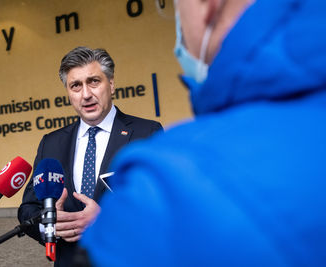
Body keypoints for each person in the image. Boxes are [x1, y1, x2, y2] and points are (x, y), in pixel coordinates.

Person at [80, 0, 326, 266]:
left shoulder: (165, 184)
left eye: (173, 9)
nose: (85, 94)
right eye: (75, 85)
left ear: (206, 5)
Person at [18, 46, 163, 266]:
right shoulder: (51, 142)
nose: (86, 94)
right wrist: (50, 225)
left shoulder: (147, 133)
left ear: (111, 84)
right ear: (68, 93)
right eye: (75, 86)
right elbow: (29, 208)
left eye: (94, 81)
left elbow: (162, 208)